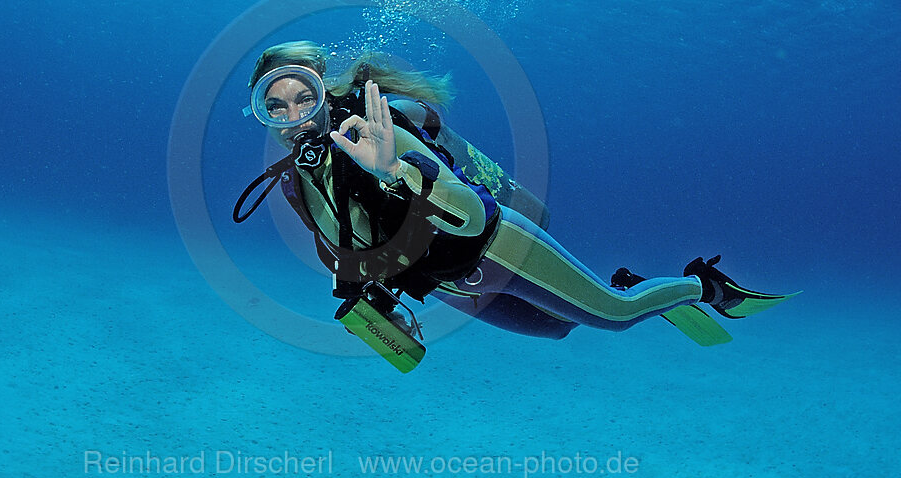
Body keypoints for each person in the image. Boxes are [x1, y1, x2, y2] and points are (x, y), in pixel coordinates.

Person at [235, 41, 796, 369]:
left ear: (322, 90)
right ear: (260, 113)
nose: (294, 117)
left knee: (613, 319)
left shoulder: (379, 130)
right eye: (274, 106)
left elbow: (473, 215)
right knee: (557, 331)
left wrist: (394, 169)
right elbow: (346, 247)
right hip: (450, 283)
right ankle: (626, 283)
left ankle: (704, 286)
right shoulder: (294, 182)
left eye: (303, 97)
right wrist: (373, 302)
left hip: (498, 246)